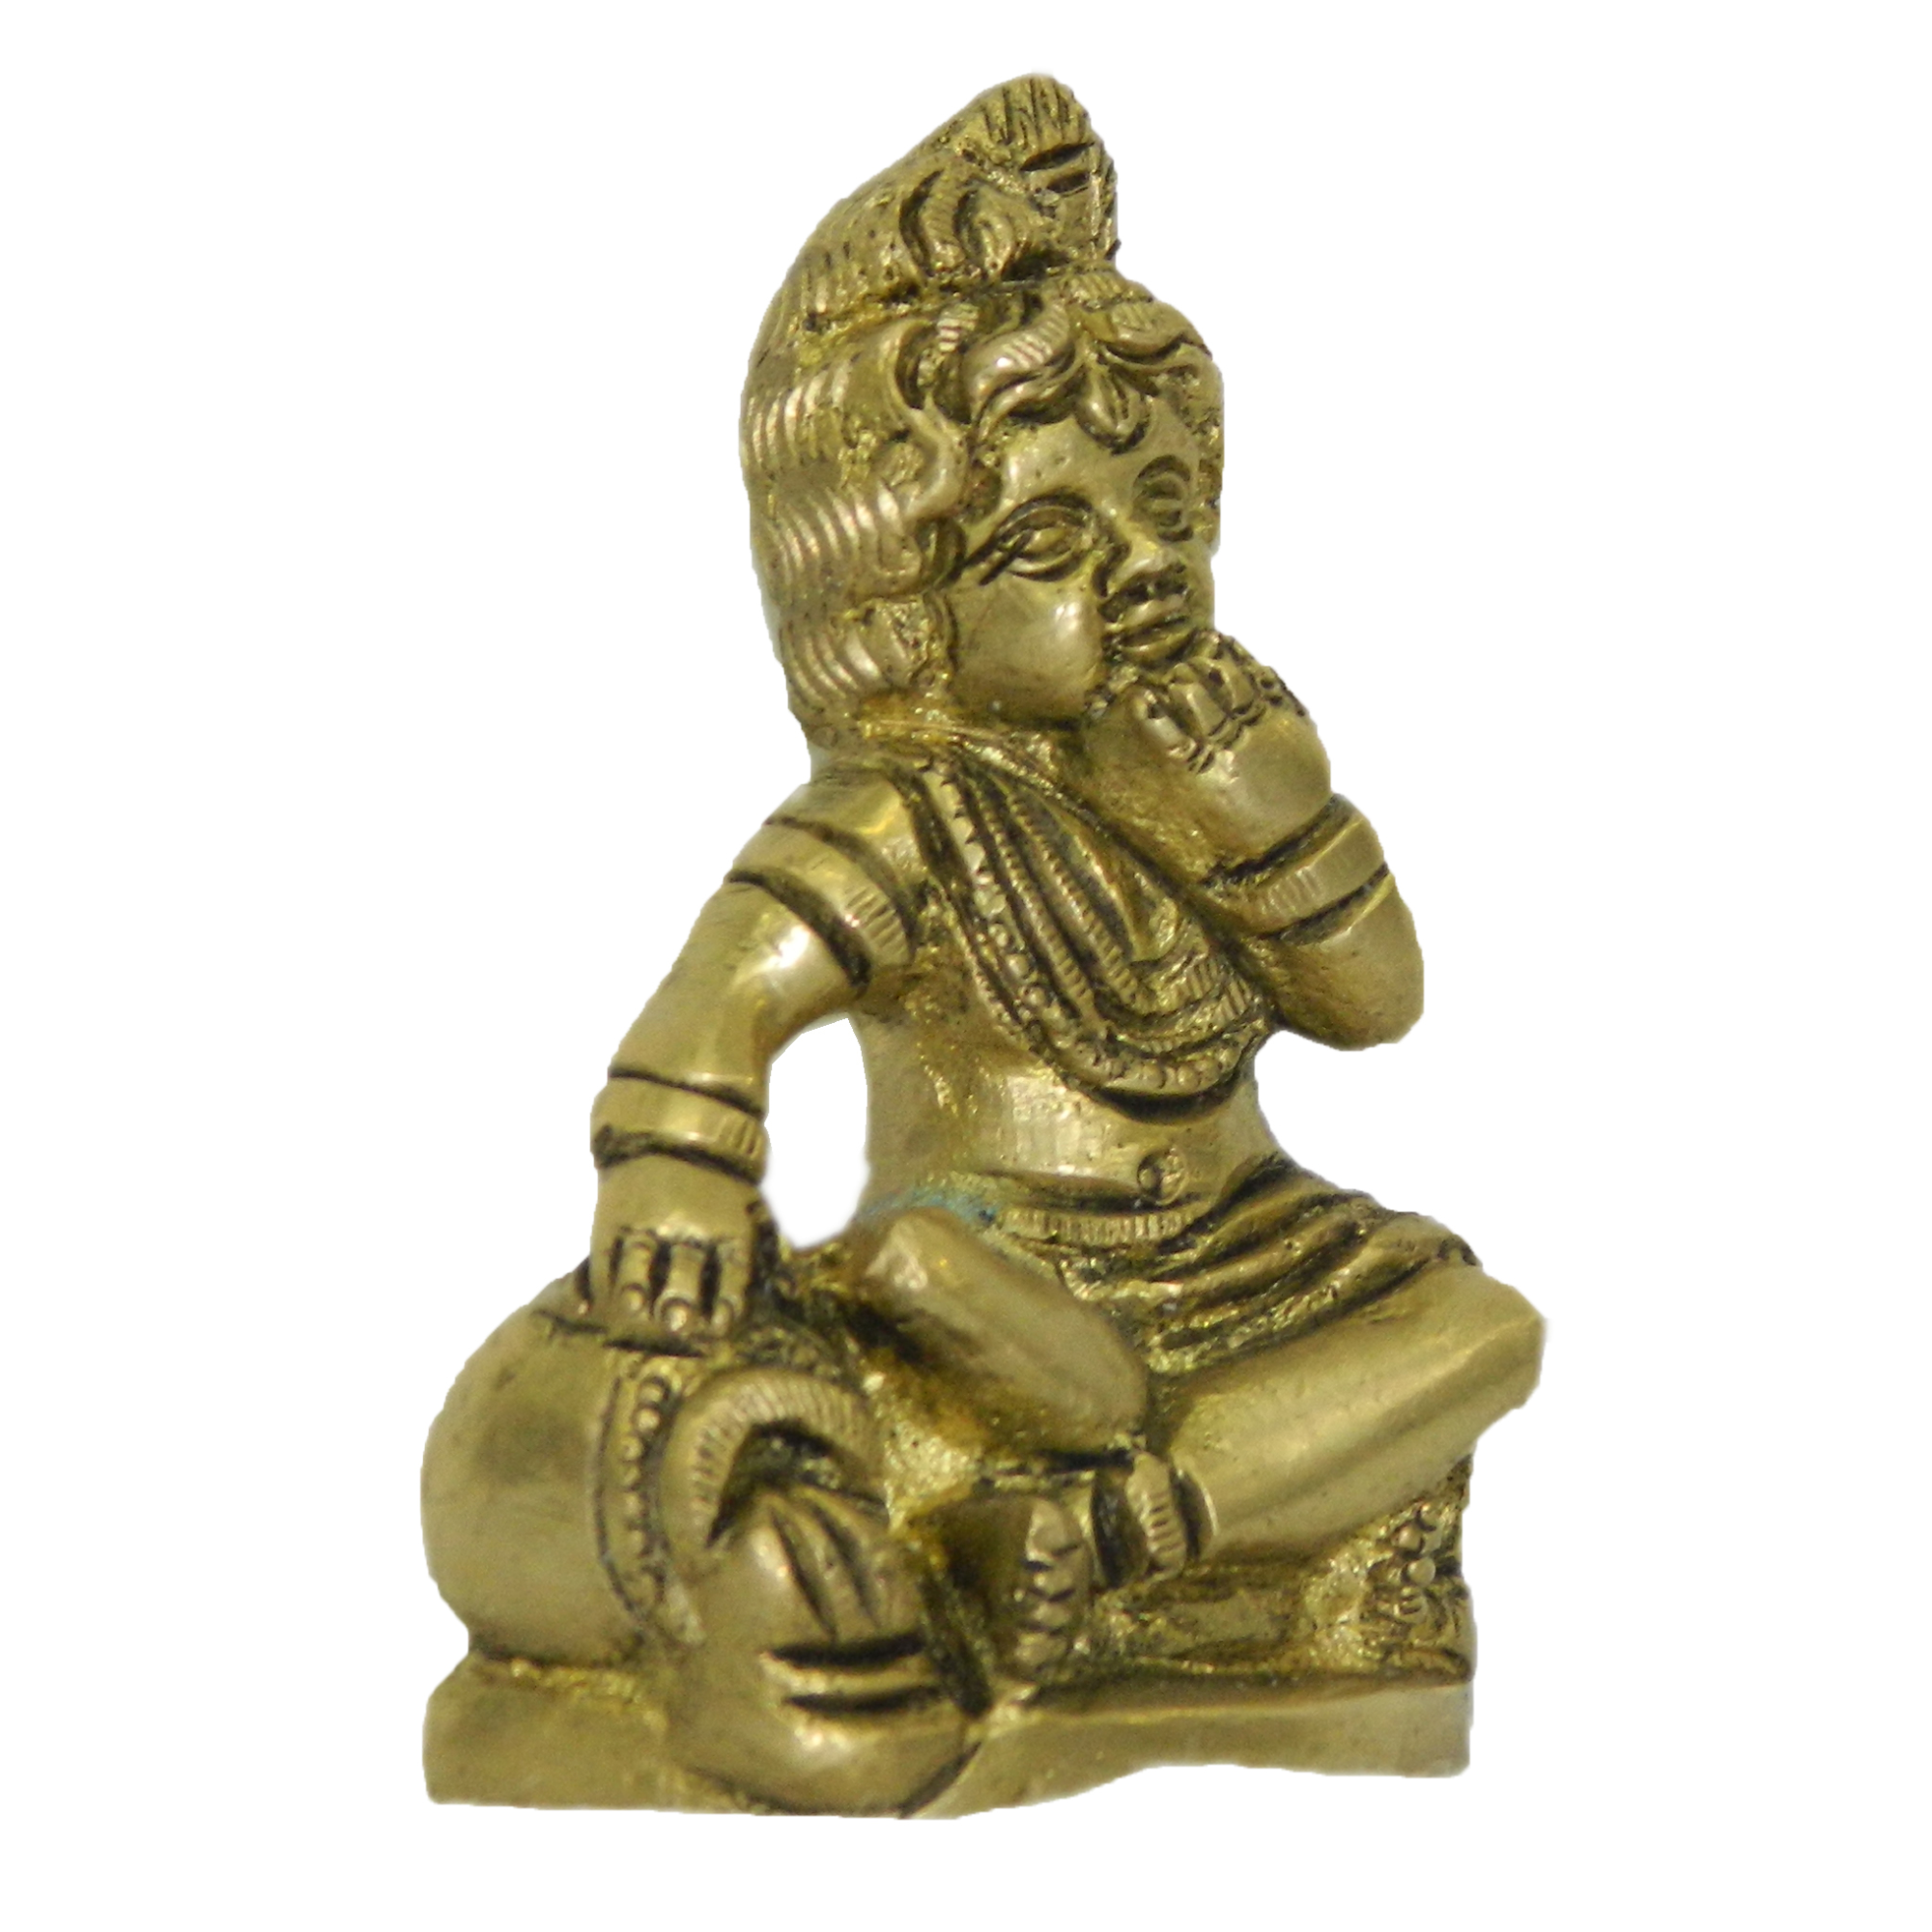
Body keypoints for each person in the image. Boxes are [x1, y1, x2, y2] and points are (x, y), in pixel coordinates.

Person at [566, 75, 1541, 1678]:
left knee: (1482, 1325)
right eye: (1050, 546)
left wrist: (1264, 822)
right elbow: (713, 1011)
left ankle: (1115, 1530)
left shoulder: (1214, 757)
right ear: (899, 604)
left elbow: (1380, 1005)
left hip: (1263, 1248)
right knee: (923, 1282)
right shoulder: (905, 812)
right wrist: (671, 1169)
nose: (1144, 573)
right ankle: (1147, 1496)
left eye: (1165, 515)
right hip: (1008, 1274)